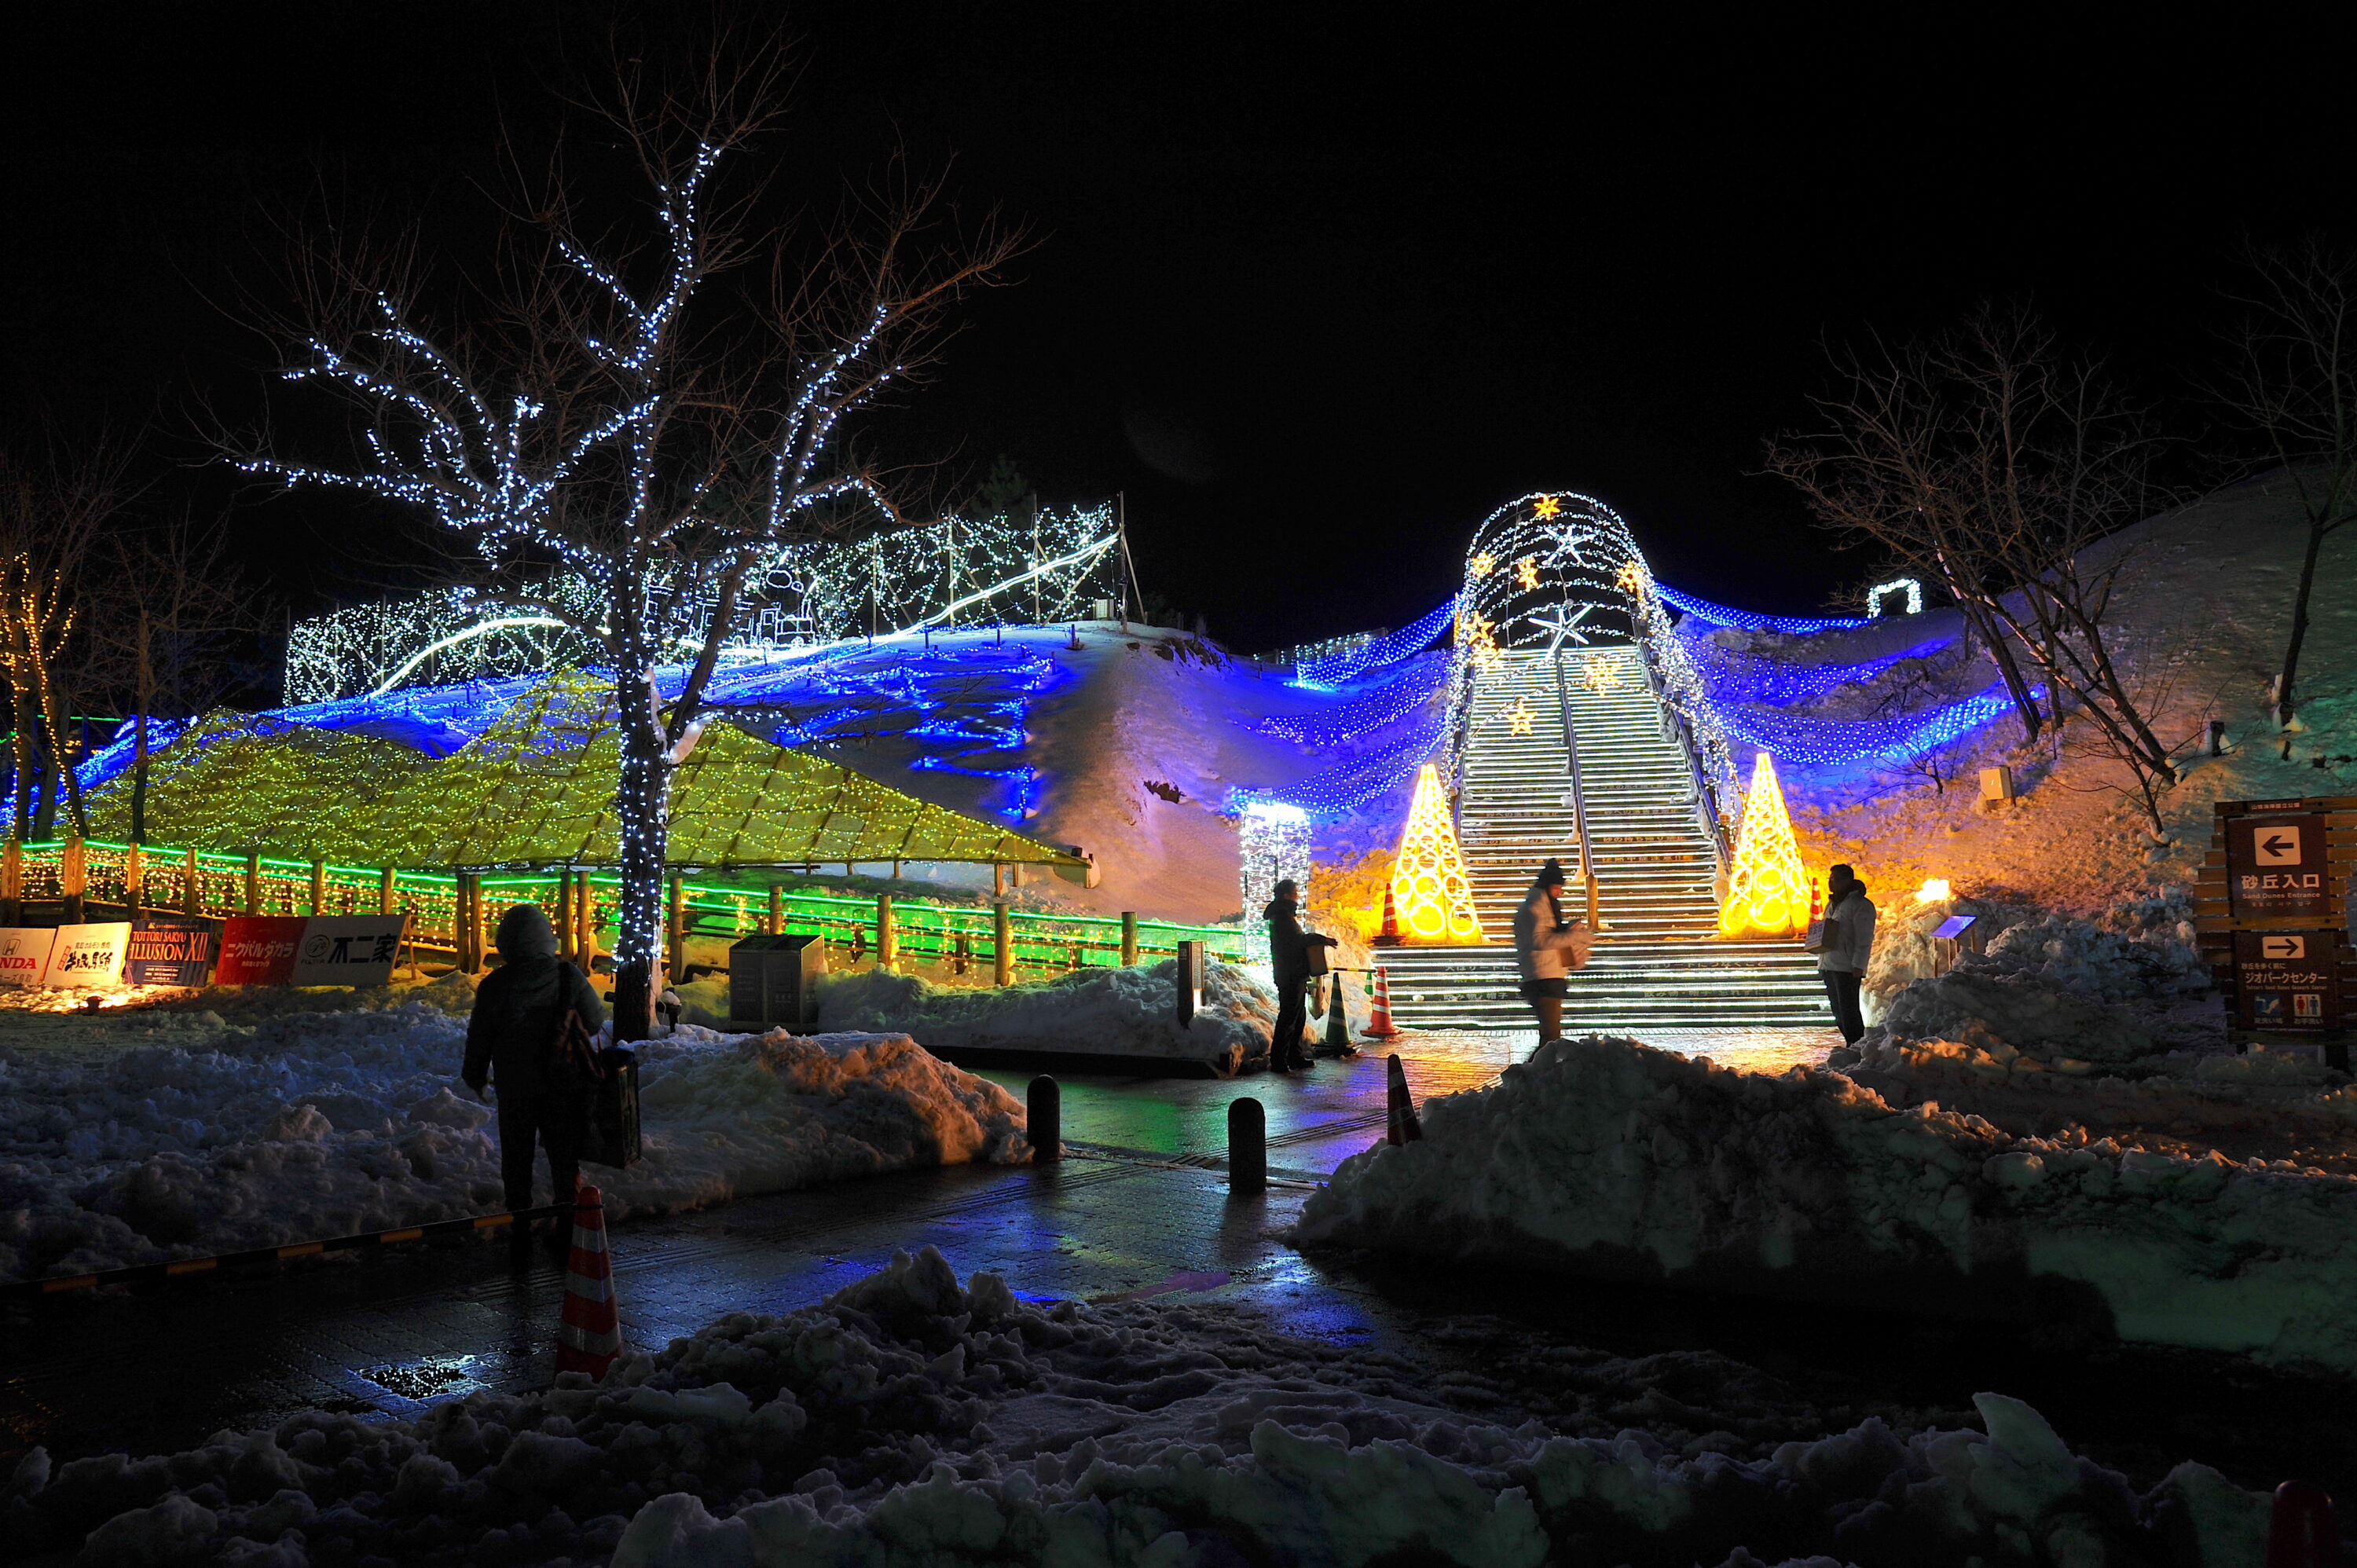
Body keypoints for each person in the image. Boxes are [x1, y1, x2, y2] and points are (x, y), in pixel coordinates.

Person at [463, 903, 607, 1218]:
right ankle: (568, 1213)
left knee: (516, 1153)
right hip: (562, 1079)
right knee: (563, 1151)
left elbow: (480, 1036)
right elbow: (595, 1021)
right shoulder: (567, 976)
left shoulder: (495, 985)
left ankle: (519, 1214)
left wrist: (474, 1074)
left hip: (515, 1085)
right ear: (545, 938)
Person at [1512, 859, 1593, 1044]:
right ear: (1548, 887)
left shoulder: (1546, 907)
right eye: (1557, 888)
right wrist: (1576, 937)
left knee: (1550, 1036)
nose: (1560, 893)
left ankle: (1531, 1071)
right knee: (1551, 1037)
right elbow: (1540, 940)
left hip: (1549, 976)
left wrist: (1570, 932)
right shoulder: (1535, 909)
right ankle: (1527, 1072)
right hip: (1542, 978)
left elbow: (1549, 936)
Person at [1263, 879, 1336, 1073]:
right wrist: (1321, 939)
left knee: (1297, 1015)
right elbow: (1296, 941)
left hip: (1293, 972)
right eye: (1295, 892)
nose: (1298, 895)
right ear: (1286, 895)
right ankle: (1279, 1060)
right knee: (1289, 1017)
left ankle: (1293, 1055)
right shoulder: (1282, 916)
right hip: (1290, 974)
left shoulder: (1283, 914)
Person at [1817, 863, 1877, 1045]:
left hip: (1846, 966)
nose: (1831, 883)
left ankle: (1857, 1045)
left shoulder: (1860, 905)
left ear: (1847, 880)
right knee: (1838, 1010)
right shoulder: (1833, 903)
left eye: (1834, 879)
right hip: (1829, 963)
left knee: (1849, 1009)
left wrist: (1858, 965)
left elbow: (1864, 938)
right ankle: (1850, 1043)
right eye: (1830, 879)